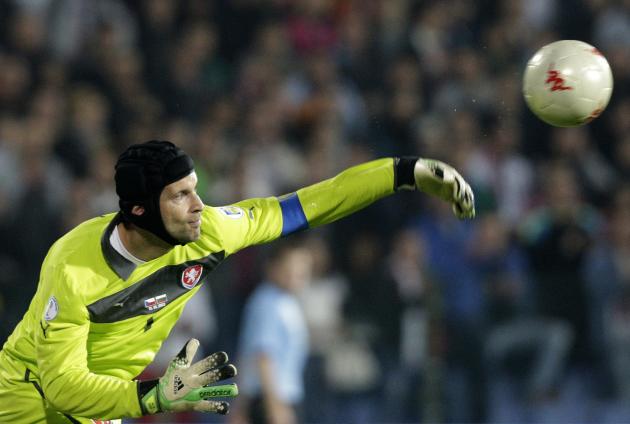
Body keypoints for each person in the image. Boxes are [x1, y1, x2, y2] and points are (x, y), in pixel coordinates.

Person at [0, 140, 475, 423]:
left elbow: (305, 206)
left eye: (195, 188)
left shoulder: (208, 232)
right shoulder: (74, 266)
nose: (199, 205)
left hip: (101, 403)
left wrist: (402, 172)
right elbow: (59, 384)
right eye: (181, 195)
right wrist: (151, 396)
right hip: (26, 394)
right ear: (140, 210)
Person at [232, 239, 313, 424]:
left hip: (276, 397)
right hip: (269, 400)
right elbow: (263, 356)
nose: (296, 275)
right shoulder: (268, 302)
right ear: (272, 267)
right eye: (289, 268)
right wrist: (275, 406)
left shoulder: (286, 301)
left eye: (302, 270)